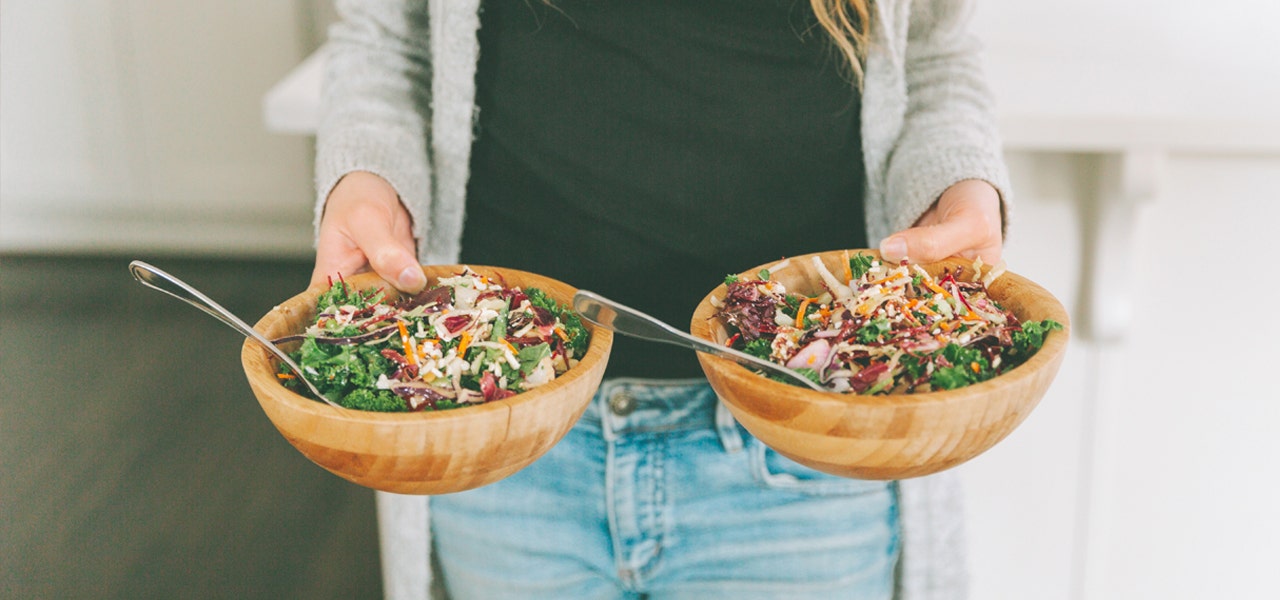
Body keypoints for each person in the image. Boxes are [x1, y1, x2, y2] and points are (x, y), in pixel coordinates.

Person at [312, 1, 1009, 598]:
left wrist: (955, 182)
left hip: (807, 444)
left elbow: (933, 56)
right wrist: (368, 174)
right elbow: (384, 40)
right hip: (503, 436)